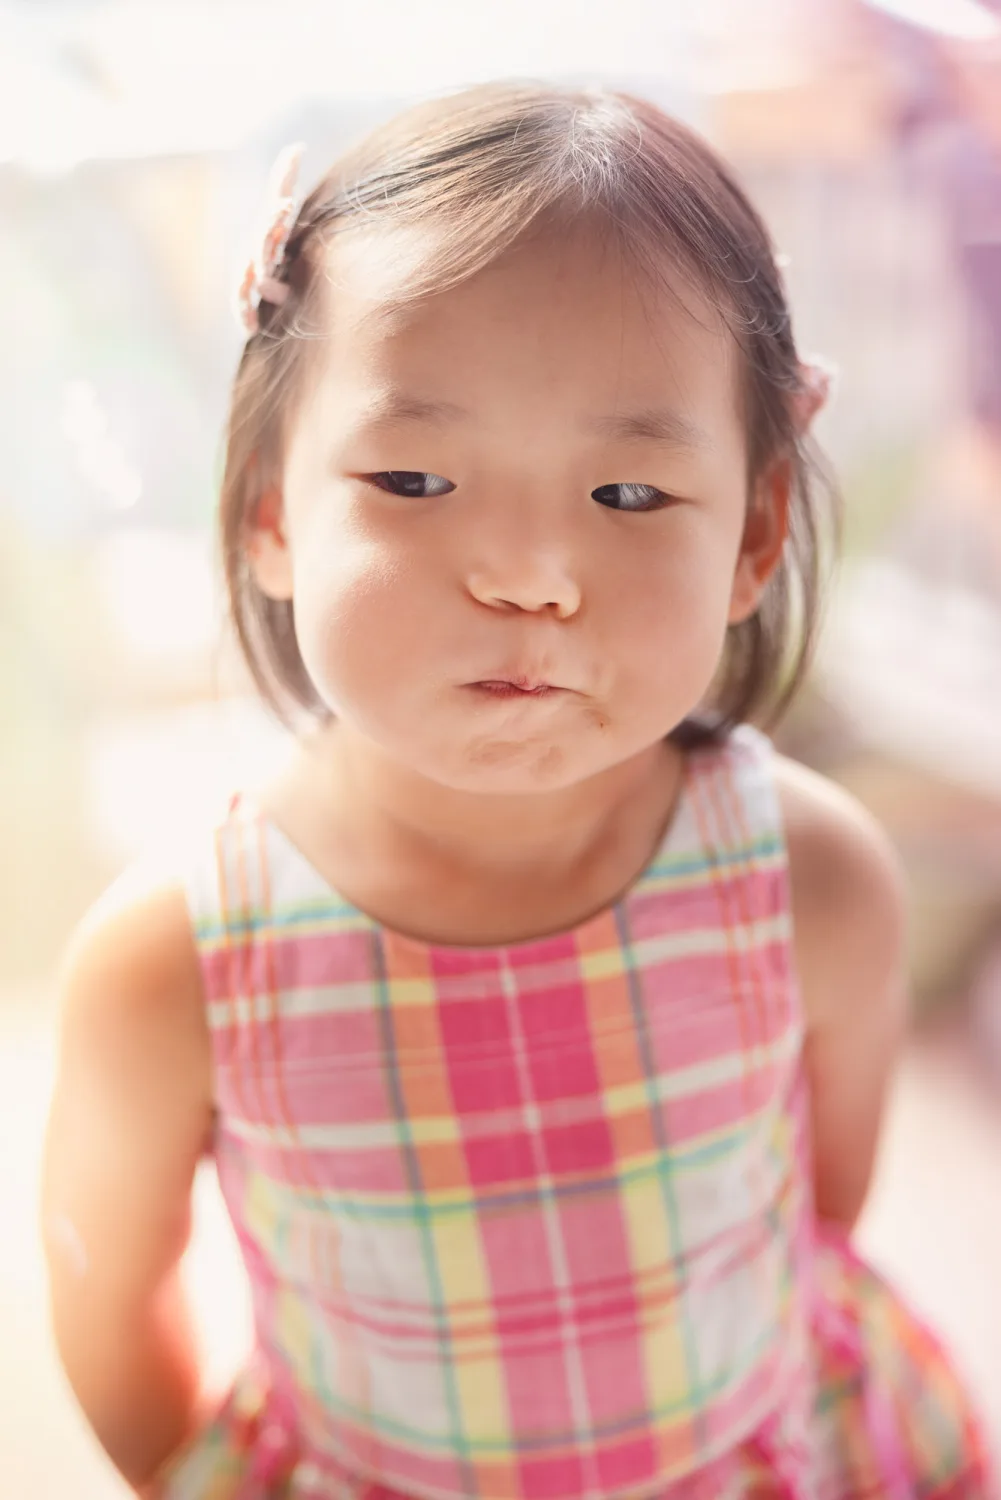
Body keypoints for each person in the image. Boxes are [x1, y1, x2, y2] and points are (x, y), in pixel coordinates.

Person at [40, 84, 994, 1499]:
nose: (531, 575)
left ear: (756, 533)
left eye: (627, 496)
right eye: (415, 475)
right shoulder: (170, 962)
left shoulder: (815, 877)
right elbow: (109, 1294)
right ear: (271, 512)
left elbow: (816, 1221)